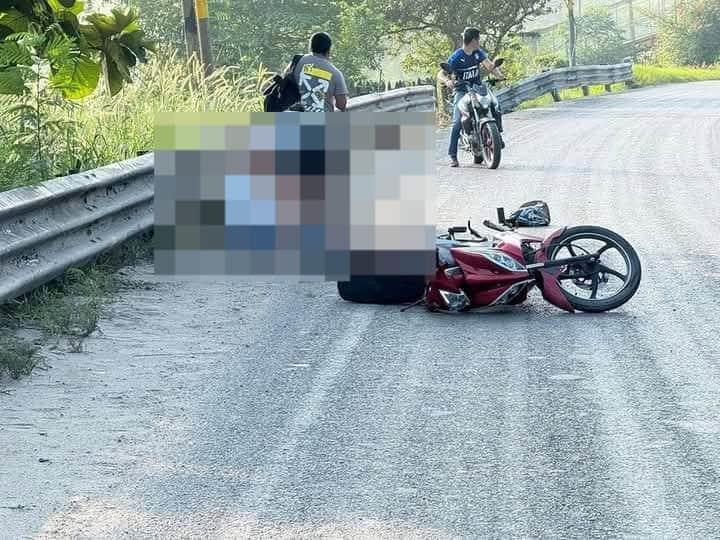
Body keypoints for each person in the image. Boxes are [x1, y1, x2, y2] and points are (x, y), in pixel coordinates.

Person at [438, 27, 505, 167]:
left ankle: (497, 136)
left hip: (478, 89)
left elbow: (489, 65)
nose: (479, 42)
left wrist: (499, 75)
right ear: (474, 40)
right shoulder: (456, 57)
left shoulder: (478, 53)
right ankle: (453, 156)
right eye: (479, 39)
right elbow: (441, 74)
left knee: (494, 105)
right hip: (462, 91)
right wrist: (448, 81)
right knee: (457, 122)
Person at [292, 32, 348, 112]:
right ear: (329, 49)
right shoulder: (335, 73)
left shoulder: (297, 61)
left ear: (311, 46)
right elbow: (341, 105)